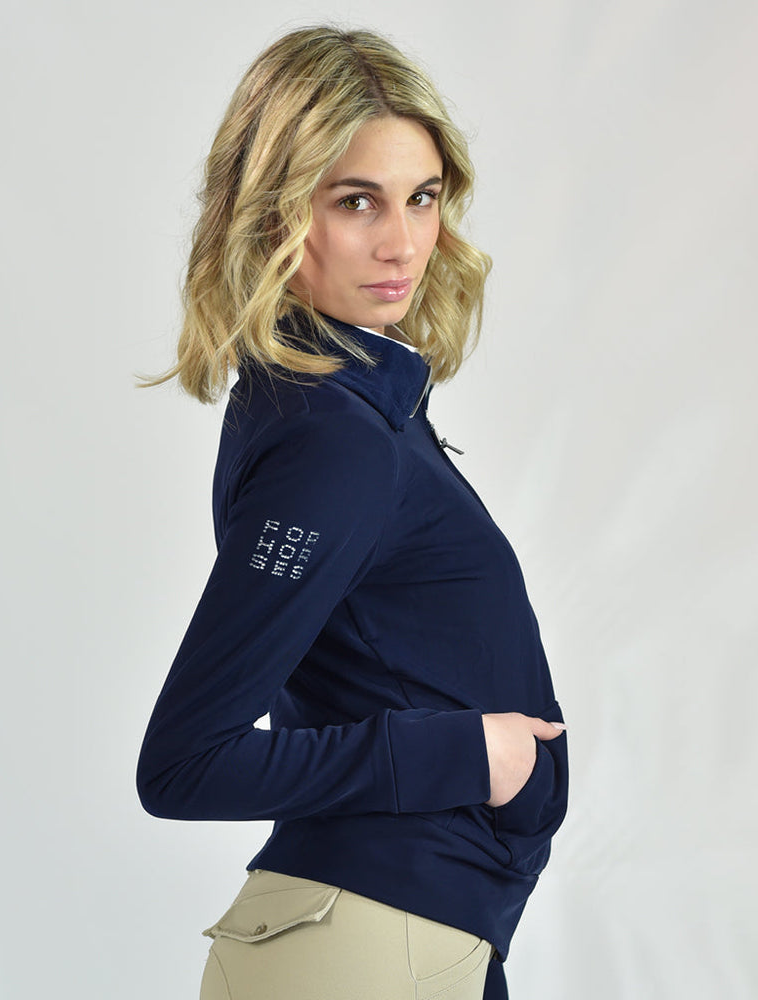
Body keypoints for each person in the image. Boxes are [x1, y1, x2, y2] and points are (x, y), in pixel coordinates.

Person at [136, 25, 569, 1000]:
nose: (402, 242)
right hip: (368, 946)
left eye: (422, 197)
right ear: (274, 215)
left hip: (401, 939)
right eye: (355, 201)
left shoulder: (345, 410)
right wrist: (464, 751)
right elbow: (184, 762)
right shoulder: (333, 439)